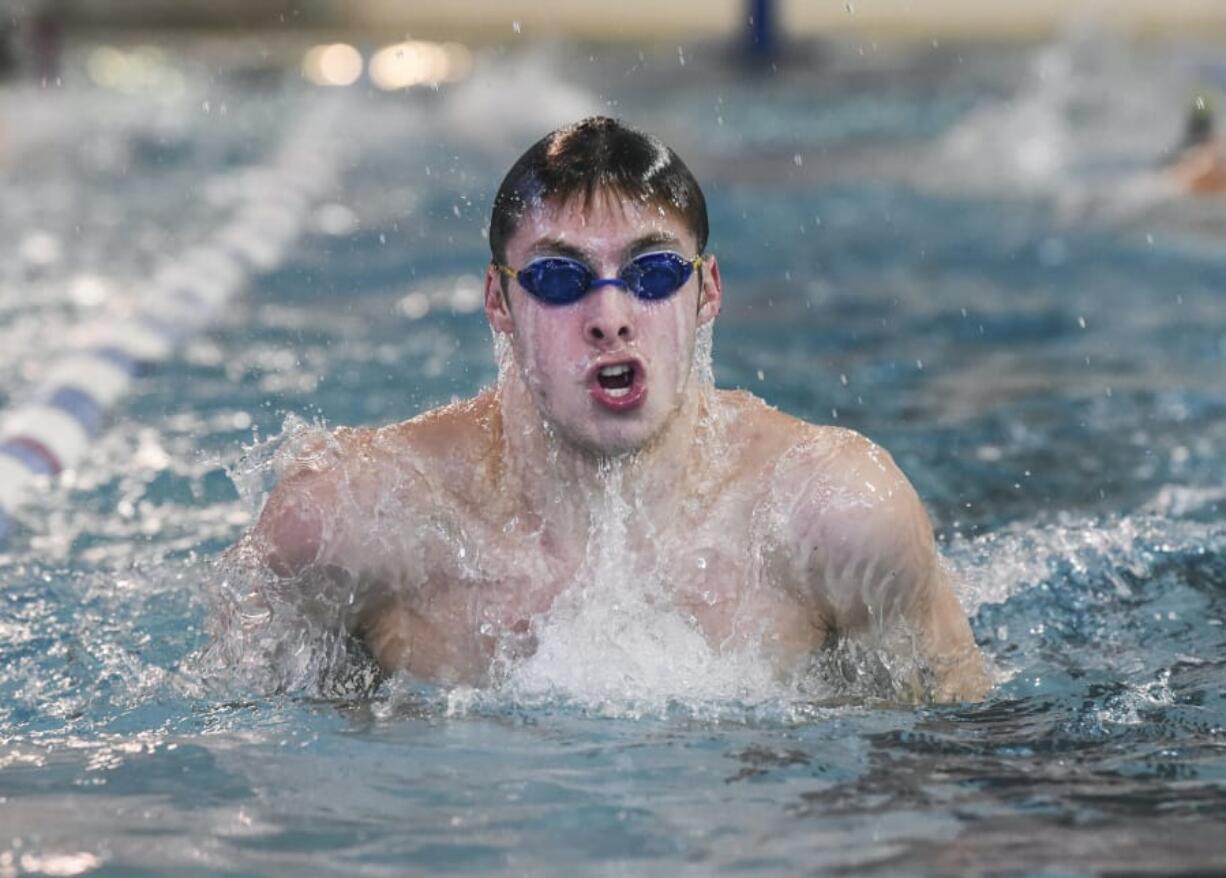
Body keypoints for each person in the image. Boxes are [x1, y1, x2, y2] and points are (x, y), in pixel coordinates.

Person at [235, 116, 988, 702]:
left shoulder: (831, 515)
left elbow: (953, 761)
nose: (610, 315)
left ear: (708, 292)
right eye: (561, 278)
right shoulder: (356, 523)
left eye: (653, 271)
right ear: (499, 301)